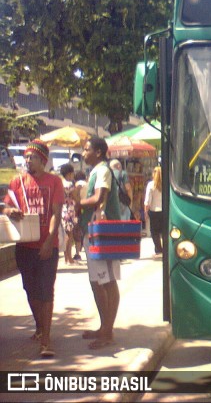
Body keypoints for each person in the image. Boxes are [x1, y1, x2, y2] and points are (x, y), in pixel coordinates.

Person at [2, 139, 64, 358]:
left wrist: (49, 241)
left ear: (43, 160)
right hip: (24, 245)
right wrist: (10, 212)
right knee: (30, 290)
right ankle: (40, 326)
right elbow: (7, 204)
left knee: (47, 292)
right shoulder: (17, 182)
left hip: (48, 246)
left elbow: (56, 212)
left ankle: (46, 340)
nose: (28, 161)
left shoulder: (54, 182)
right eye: (27, 157)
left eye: (33, 157)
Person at [76, 137, 122, 349]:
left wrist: (77, 202)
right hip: (93, 233)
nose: (83, 153)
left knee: (108, 282)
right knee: (97, 282)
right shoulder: (95, 170)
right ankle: (104, 327)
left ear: (99, 152)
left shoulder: (103, 170)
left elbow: (98, 198)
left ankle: (108, 332)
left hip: (103, 234)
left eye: (87, 149)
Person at [59, 164, 79, 265]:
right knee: (69, 235)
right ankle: (69, 258)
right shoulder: (69, 184)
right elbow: (75, 197)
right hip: (69, 210)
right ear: (69, 173)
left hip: (62, 209)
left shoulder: (59, 183)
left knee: (65, 234)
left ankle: (66, 258)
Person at [144, 166, 163, 255]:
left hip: (154, 211)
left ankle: (158, 249)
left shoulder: (151, 185)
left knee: (154, 232)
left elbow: (147, 201)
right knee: (164, 231)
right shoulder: (166, 184)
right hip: (164, 211)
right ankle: (165, 249)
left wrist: (145, 212)